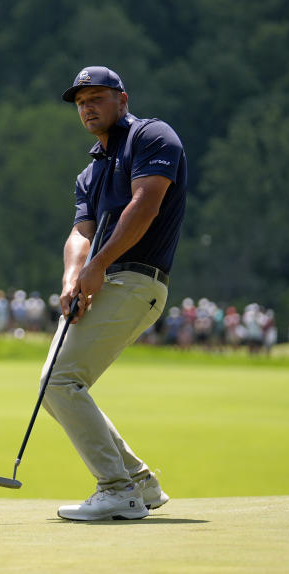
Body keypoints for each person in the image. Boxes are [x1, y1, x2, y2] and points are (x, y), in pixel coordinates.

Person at [44, 66, 187, 521]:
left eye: (97, 97)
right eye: (81, 101)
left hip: (138, 278)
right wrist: (73, 277)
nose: (87, 106)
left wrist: (98, 267)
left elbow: (145, 205)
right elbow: (80, 232)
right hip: (108, 279)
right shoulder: (90, 173)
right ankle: (140, 484)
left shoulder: (152, 137)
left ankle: (117, 490)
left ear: (122, 100)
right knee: (58, 383)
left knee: (60, 382)